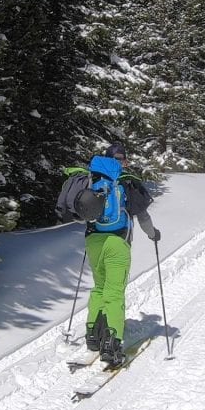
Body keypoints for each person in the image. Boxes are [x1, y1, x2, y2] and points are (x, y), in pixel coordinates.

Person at [81, 142, 160, 367]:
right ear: (122, 161)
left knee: (99, 287)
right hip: (118, 241)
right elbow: (143, 216)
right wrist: (153, 234)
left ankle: (93, 336)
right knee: (114, 292)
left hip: (93, 240)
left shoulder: (93, 179)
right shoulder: (125, 182)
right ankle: (112, 345)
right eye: (124, 159)